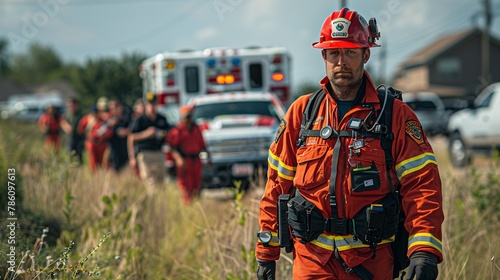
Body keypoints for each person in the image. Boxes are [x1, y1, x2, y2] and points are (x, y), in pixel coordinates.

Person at [255, 8, 443, 280]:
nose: (341, 62)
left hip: (372, 263)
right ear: (324, 56)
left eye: (350, 52)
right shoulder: (301, 114)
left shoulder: (395, 116)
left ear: (366, 55)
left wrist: (423, 250)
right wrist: (266, 252)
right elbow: (276, 186)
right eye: (334, 53)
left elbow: (422, 186)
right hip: (312, 264)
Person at [167, 105, 210, 205]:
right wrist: (178, 159)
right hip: (185, 161)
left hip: (196, 160)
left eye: (190, 116)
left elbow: (203, 146)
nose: (189, 119)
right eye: (186, 117)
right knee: (186, 185)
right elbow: (171, 147)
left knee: (197, 184)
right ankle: (187, 206)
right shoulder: (178, 131)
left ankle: (197, 205)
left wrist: (208, 159)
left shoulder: (196, 129)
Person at [128, 94, 171, 186]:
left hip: (159, 152)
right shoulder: (140, 120)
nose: (151, 106)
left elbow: (168, 132)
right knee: (150, 181)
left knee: (161, 181)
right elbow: (131, 137)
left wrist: (160, 133)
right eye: (149, 104)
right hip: (145, 154)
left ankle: (160, 199)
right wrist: (146, 134)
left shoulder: (161, 118)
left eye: (153, 104)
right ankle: (152, 199)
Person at [78, 102, 113, 172]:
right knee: (93, 162)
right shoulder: (87, 119)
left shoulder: (103, 121)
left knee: (104, 163)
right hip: (91, 143)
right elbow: (80, 130)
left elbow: (109, 132)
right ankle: (94, 176)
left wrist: (105, 134)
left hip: (101, 143)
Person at [106, 99, 131, 172]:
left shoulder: (127, 118)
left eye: (116, 106)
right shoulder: (109, 119)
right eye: (112, 108)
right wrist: (110, 126)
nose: (115, 109)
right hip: (114, 150)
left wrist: (126, 131)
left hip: (126, 148)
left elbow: (133, 129)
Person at [61, 97, 85, 165]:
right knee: (70, 153)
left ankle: (79, 168)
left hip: (79, 137)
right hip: (70, 137)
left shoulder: (81, 113)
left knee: (79, 154)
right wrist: (66, 127)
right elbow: (62, 121)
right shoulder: (67, 113)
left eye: (71, 105)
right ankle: (71, 168)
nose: (70, 107)